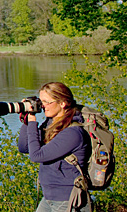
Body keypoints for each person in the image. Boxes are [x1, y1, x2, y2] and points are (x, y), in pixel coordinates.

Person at [18, 82, 91, 212]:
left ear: (63, 103)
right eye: (40, 101)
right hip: (49, 198)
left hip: (68, 199)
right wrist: (26, 122)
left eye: (46, 102)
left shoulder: (73, 133)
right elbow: (24, 147)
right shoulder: (51, 125)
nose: (42, 106)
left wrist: (33, 123)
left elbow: (36, 156)